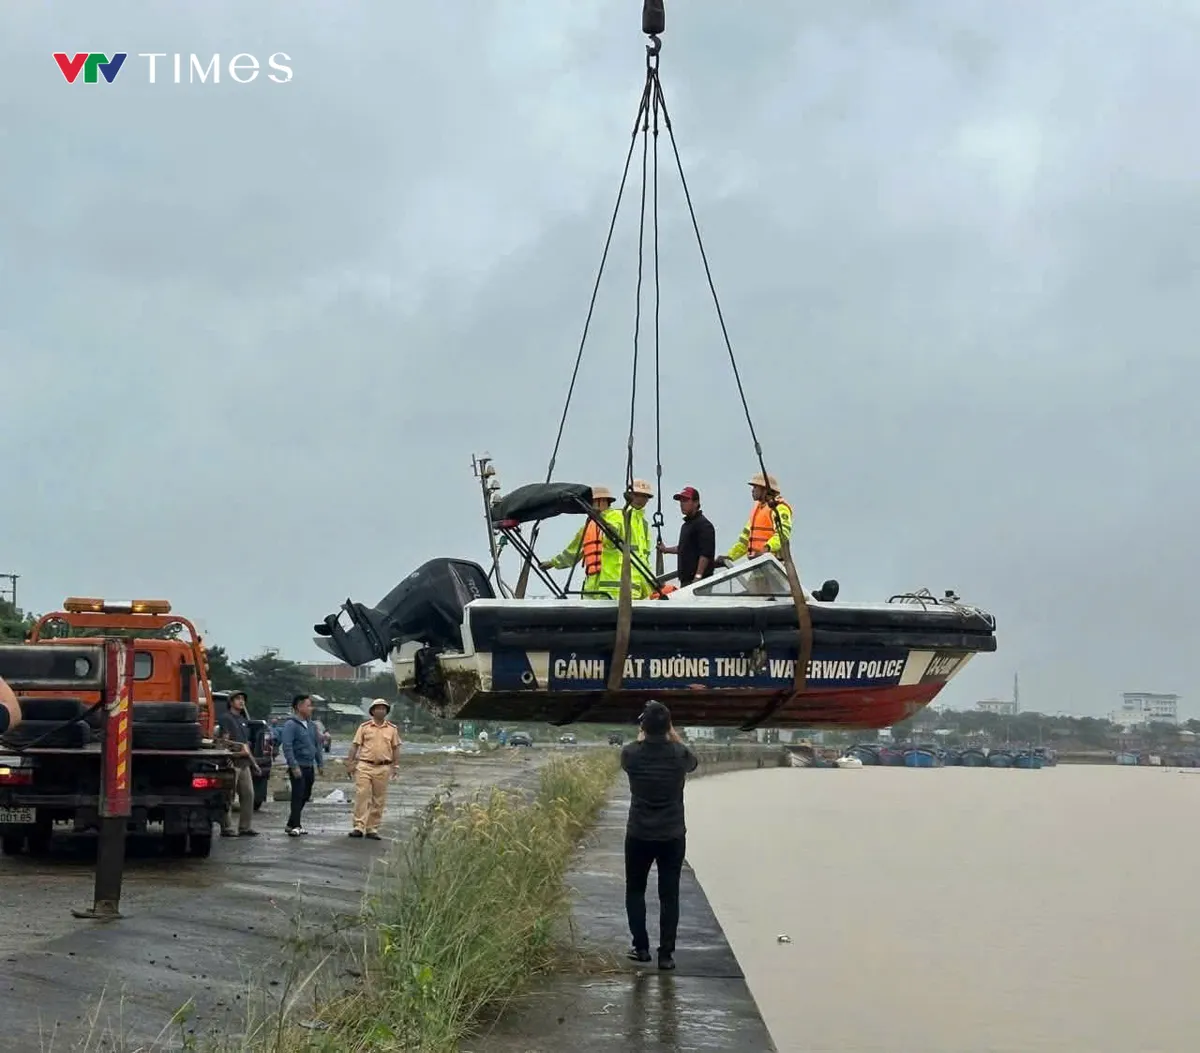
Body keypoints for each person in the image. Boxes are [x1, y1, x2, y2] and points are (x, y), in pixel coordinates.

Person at [620, 700, 698, 971]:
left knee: (635, 890)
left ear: (643, 726)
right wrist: (671, 734)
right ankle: (666, 955)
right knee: (669, 894)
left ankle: (640, 948)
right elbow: (693, 762)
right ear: (669, 727)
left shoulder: (630, 754)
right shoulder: (679, 755)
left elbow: (634, 751)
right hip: (672, 834)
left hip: (639, 832)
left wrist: (646, 735)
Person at [540, 485, 616, 597]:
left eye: (592, 502)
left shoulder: (617, 519)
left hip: (613, 586)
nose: (588, 506)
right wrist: (553, 563)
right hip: (591, 585)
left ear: (603, 501)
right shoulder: (588, 527)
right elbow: (572, 552)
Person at [345, 698, 402, 840]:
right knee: (362, 794)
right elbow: (355, 746)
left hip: (383, 767)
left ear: (386, 711)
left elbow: (396, 748)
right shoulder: (364, 727)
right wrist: (350, 763)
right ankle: (358, 826)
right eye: (378, 708)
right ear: (372, 711)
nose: (380, 710)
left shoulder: (392, 729)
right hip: (364, 765)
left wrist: (396, 766)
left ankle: (372, 828)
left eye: (383, 708)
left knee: (379, 798)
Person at [596, 479, 656, 600]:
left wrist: (649, 588)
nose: (641, 499)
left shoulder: (643, 524)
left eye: (645, 496)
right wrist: (611, 530)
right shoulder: (617, 515)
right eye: (637, 495)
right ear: (629, 495)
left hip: (635, 589)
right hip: (615, 590)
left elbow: (643, 560)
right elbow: (609, 541)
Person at [719, 471, 793, 567]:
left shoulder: (780, 508)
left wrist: (765, 549)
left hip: (773, 566)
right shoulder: (757, 510)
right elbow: (744, 541)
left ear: (765, 490)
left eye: (755, 487)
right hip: (757, 565)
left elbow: (783, 535)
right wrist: (729, 557)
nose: (752, 490)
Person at [216, 690, 259, 837]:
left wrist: (254, 764)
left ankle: (245, 827)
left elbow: (245, 744)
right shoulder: (225, 718)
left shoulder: (243, 720)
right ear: (231, 702)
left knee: (248, 795)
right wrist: (229, 754)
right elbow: (223, 741)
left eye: (243, 699)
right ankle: (226, 827)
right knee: (228, 796)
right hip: (231, 763)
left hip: (244, 763)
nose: (241, 701)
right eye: (238, 699)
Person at [279, 694, 323, 836]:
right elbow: (287, 746)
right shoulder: (291, 725)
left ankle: (291, 823)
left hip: (309, 766)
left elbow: (317, 745)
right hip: (298, 766)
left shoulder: (312, 725)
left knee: (306, 794)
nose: (311, 708)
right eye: (308, 705)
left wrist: (320, 763)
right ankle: (296, 825)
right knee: (297, 795)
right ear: (299, 707)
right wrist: (293, 766)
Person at [656, 485, 716, 587]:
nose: (681, 504)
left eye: (685, 500)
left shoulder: (704, 525)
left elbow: (705, 554)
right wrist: (666, 550)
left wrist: (698, 577)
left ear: (696, 502)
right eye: (681, 501)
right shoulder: (686, 525)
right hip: (686, 581)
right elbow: (684, 548)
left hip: (699, 583)